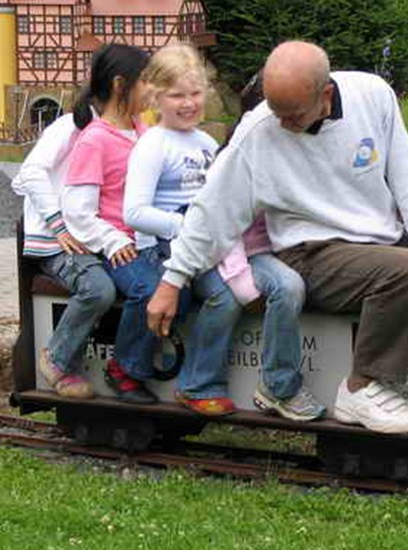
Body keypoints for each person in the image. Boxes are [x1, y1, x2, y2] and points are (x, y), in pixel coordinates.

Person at [147, 41, 408, 434]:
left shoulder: (372, 96)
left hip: (374, 243)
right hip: (306, 251)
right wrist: (173, 280)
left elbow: (406, 171)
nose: (282, 123)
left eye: (292, 115)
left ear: (325, 95)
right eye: (276, 111)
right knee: (406, 270)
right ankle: (362, 387)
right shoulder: (259, 130)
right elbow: (213, 210)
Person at [123, 44, 324, 420]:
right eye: (177, 95)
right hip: (169, 247)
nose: (188, 103)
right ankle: (198, 384)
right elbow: (134, 212)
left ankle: (279, 385)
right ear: (155, 96)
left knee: (285, 285)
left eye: (195, 93)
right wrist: (188, 225)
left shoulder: (206, 143)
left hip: (219, 243)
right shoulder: (153, 144)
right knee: (224, 296)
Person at [60, 43, 156, 404]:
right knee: (147, 289)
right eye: (145, 81)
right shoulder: (95, 141)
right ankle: (125, 368)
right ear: (120, 85)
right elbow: (78, 210)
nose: (152, 89)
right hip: (119, 246)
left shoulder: (144, 132)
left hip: (150, 238)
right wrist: (113, 241)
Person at [11, 113, 114, 400]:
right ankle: (58, 358)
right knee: (97, 288)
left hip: (103, 238)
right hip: (59, 243)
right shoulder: (72, 126)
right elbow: (31, 172)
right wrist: (58, 224)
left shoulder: (135, 128)